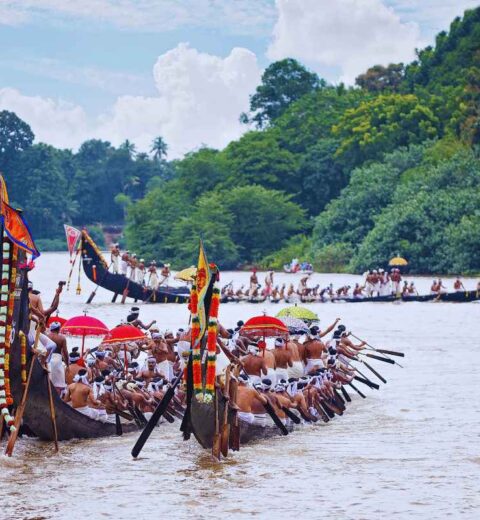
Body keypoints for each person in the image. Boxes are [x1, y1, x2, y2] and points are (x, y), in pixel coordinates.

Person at [46, 322, 69, 394]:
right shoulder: (62, 338)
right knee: (58, 383)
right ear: (58, 329)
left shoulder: (46, 336)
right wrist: (67, 363)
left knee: (48, 381)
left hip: (47, 358)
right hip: (57, 359)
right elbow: (65, 352)